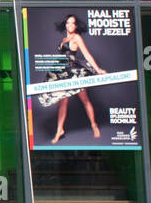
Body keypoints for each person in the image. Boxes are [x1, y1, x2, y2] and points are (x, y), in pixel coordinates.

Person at [44, 14, 107, 144]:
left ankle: (94, 125)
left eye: (73, 23)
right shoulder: (65, 38)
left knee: (85, 100)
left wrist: (98, 70)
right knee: (63, 102)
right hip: (63, 74)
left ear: (76, 26)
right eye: (68, 23)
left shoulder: (76, 37)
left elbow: (87, 54)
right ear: (65, 24)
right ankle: (59, 130)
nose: (70, 25)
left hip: (74, 74)